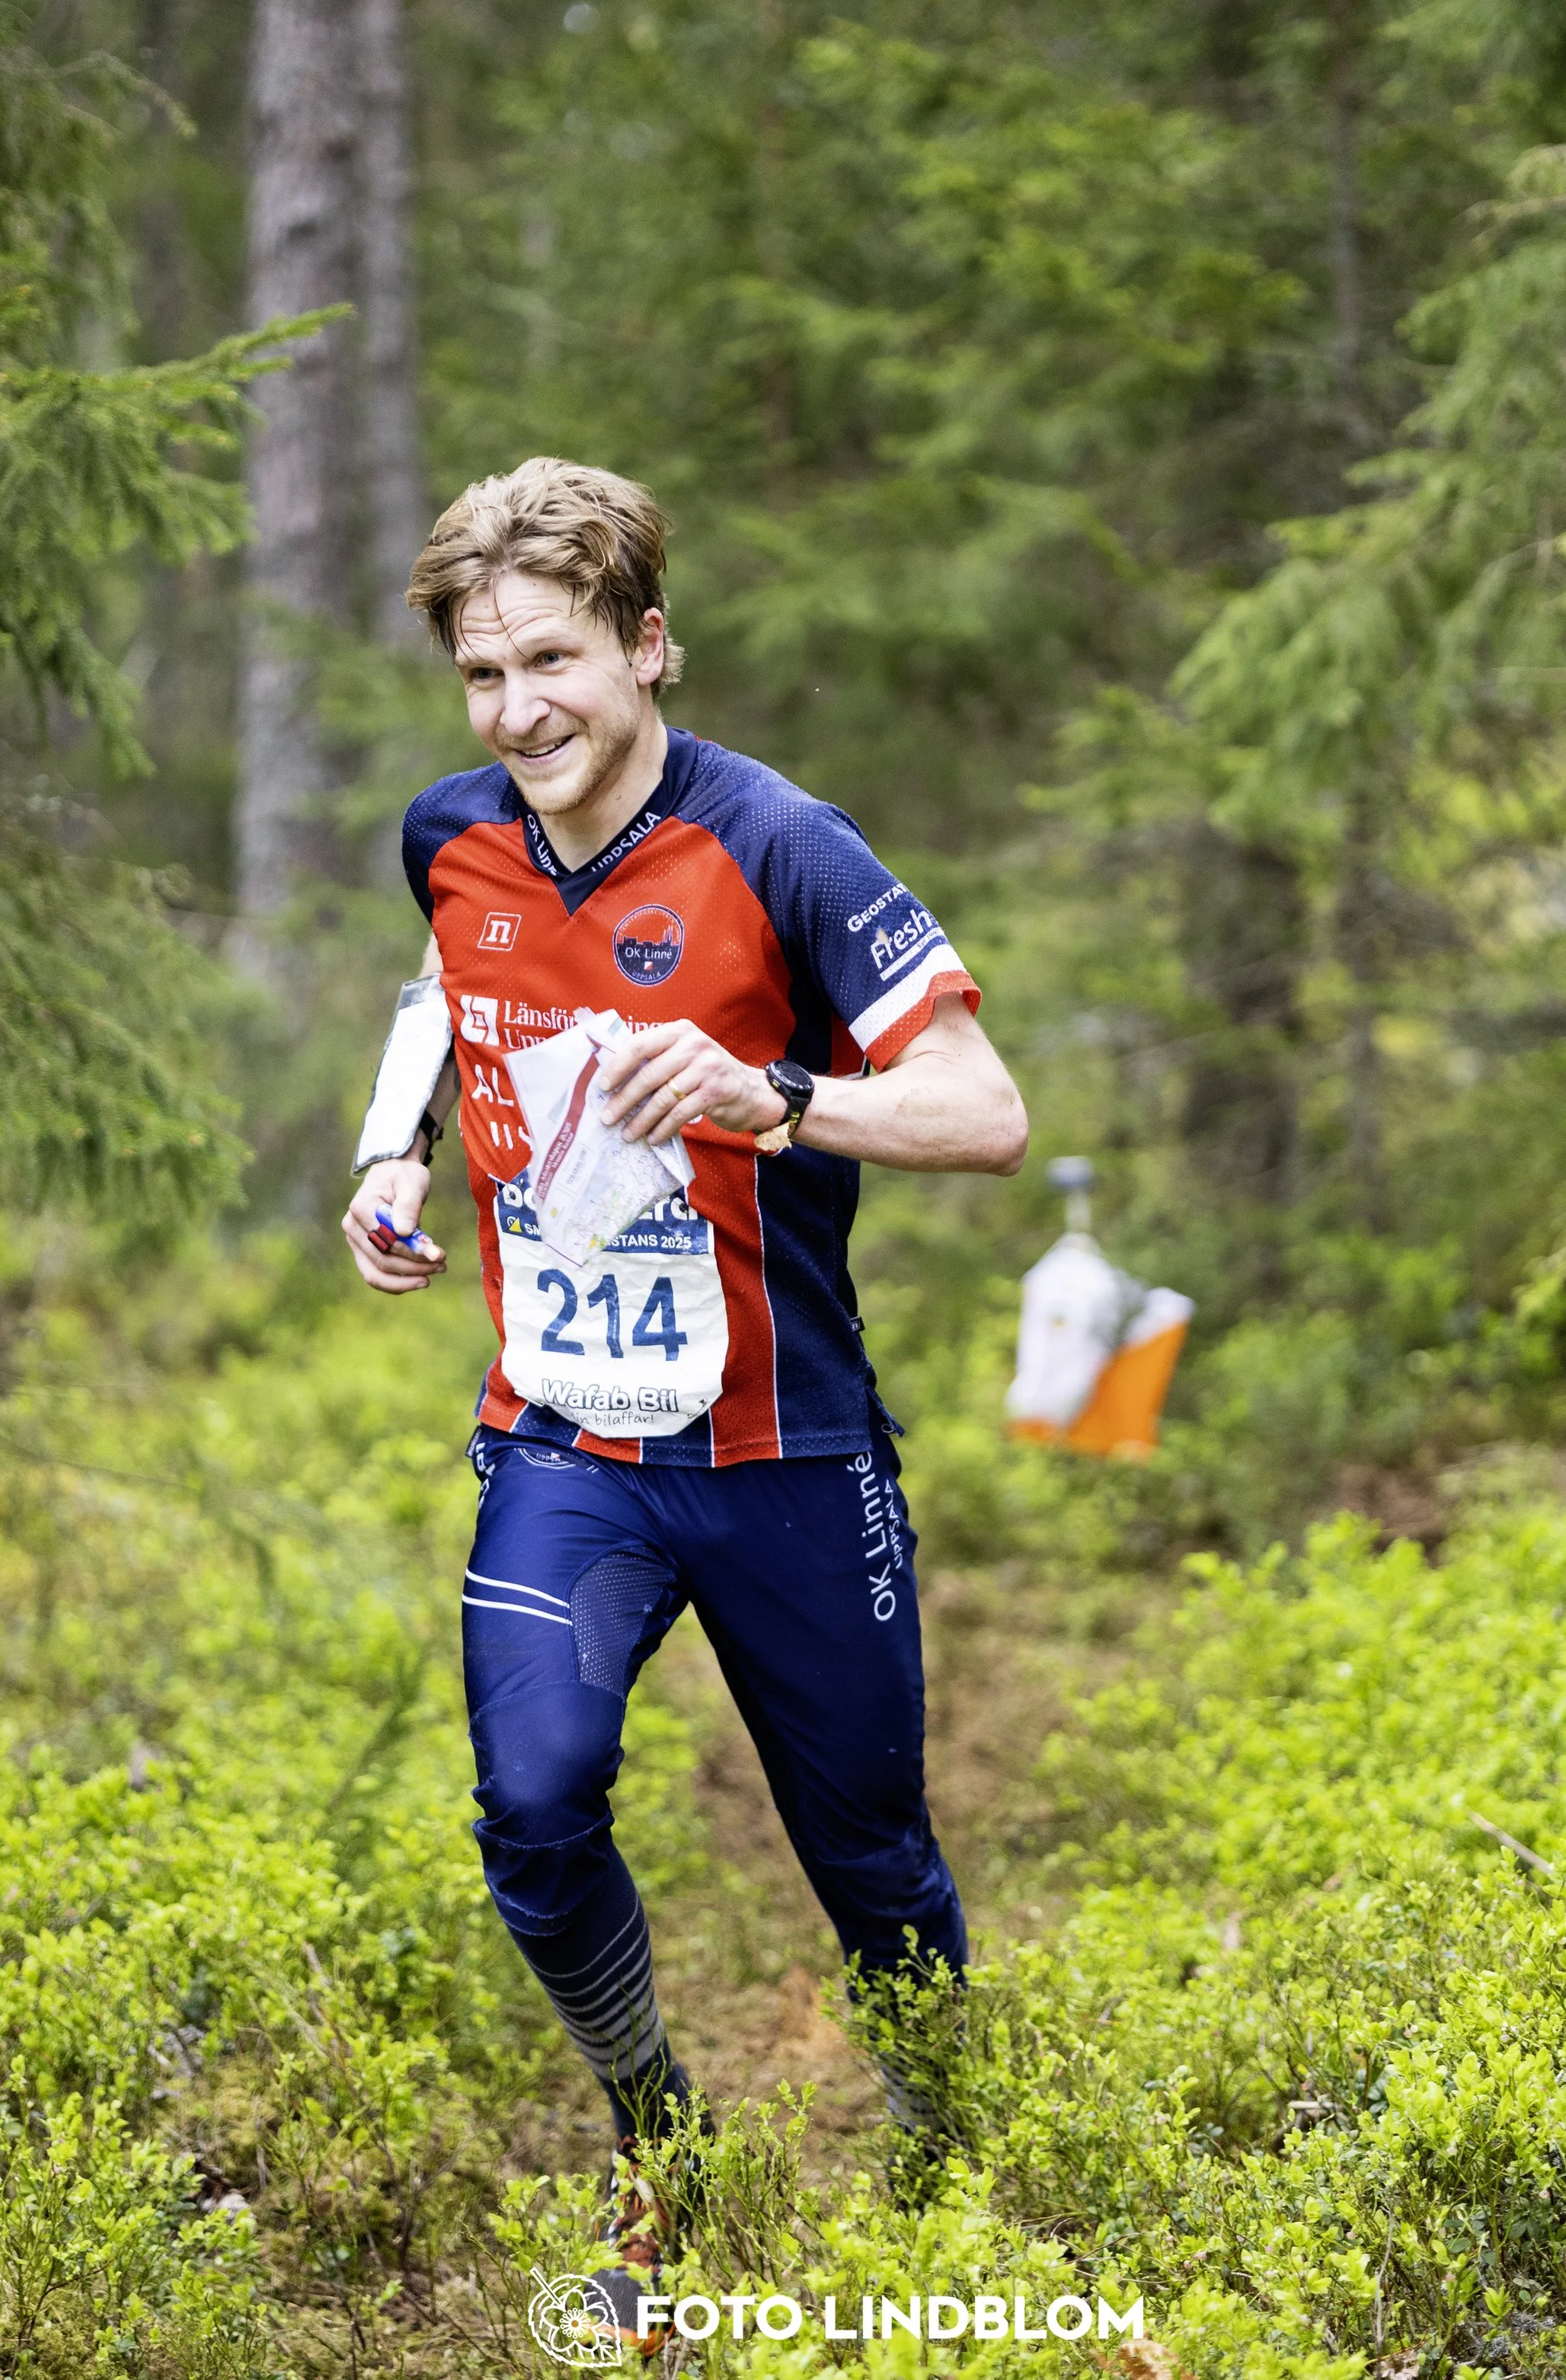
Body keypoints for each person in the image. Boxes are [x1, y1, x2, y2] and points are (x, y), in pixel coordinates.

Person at [341, 456, 1027, 2344]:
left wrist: (772, 1094)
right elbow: (446, 974)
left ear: (648, 645)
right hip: (564, 1434)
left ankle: (951, 2167)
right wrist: (393, 1152)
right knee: (534, 1803)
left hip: (786, 1443)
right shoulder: (451, 833)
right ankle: (663, 2139)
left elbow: (986, 1112)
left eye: (552, 661)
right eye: (483, 676)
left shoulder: (782, 843)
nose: (517, 713)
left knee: (869, 1851)